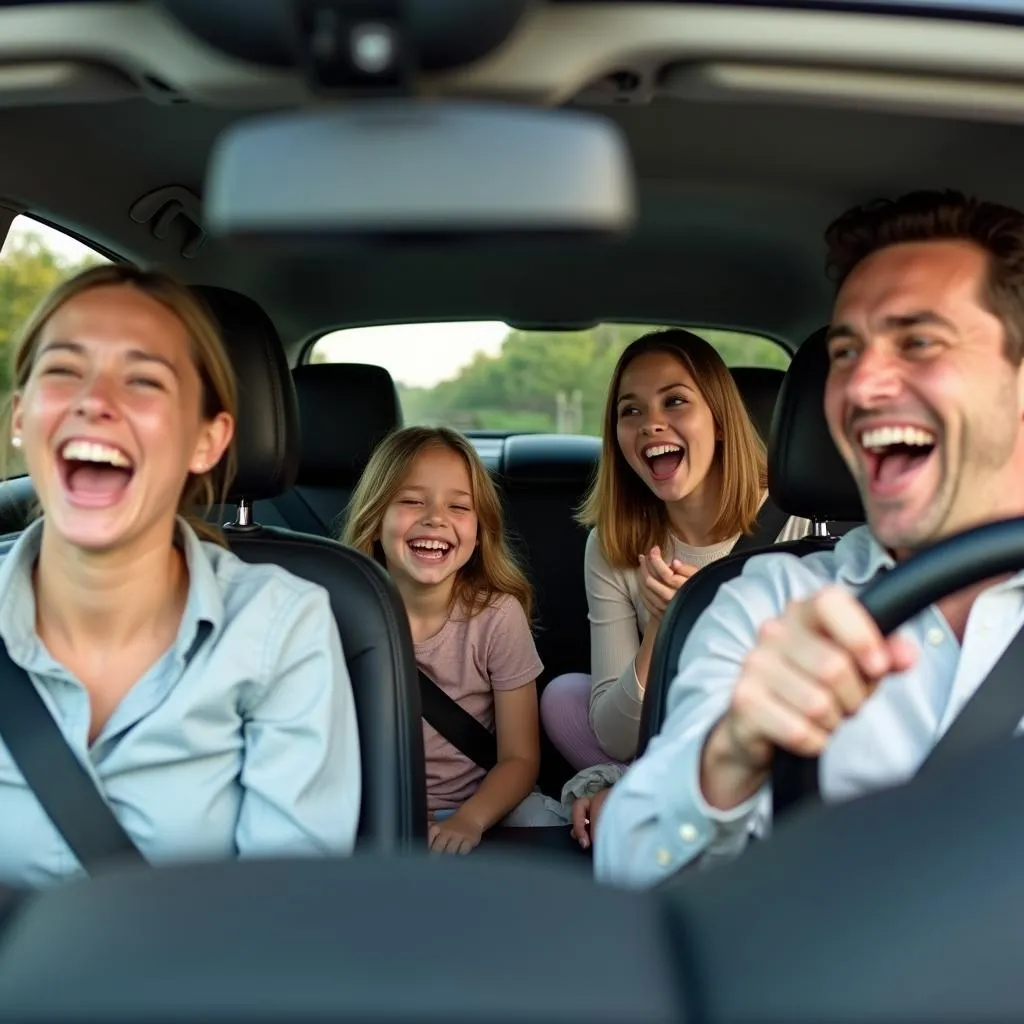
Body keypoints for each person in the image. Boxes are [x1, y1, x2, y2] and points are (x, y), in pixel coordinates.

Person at [595, 189, 1024, 888]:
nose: (861, 384)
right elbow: (630, 868)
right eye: (846, 351)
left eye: (918, 341)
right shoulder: (767, 605)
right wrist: (732, 752)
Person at [0, 265, 361, 888]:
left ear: (207, 440)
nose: (95, 401)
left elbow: (280, 911)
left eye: (142, 380)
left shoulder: (280, 627)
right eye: (63, 370)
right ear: (19, 415)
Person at [541, 330, 810, 781]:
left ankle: (655, 797)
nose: (651, 423)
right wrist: (661, 630)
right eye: (631, 411)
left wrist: (702, 620)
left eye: (675, 401)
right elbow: (614, 737)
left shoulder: (798, 523)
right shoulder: (614, 546)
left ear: (720, 421)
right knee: (564, 699)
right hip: (660, 740)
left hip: (764, 749)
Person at [343, 426, 564, 855]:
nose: (435, 518)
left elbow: (520, 758)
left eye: (458, 507)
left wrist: (470, 819)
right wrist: (396, 813)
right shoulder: (345, 616)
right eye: (411, 501)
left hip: (487, 805)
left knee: (544, 826)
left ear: (479, 533)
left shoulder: (496, 618)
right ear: (375, 521)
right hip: (377, 807)